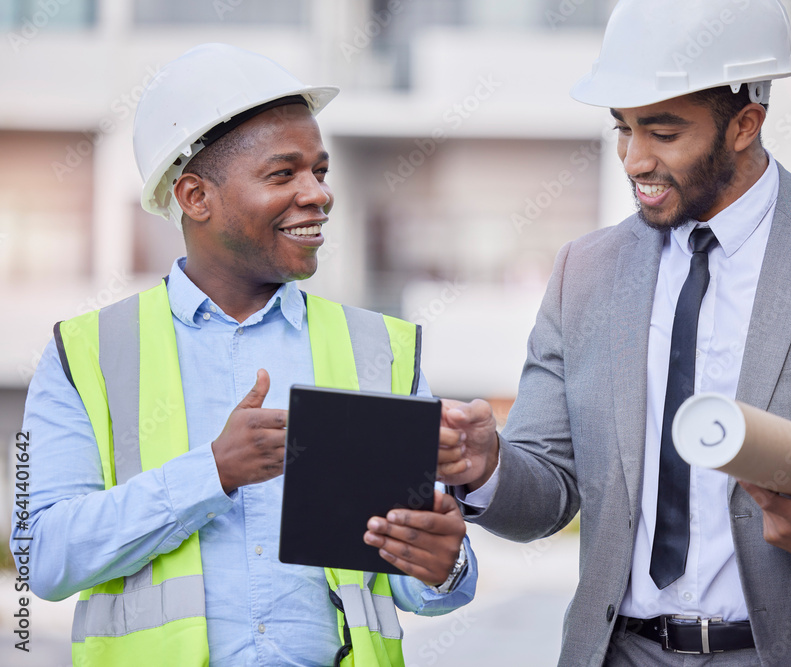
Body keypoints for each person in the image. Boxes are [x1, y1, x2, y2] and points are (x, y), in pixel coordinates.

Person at [435, 1, 791, 665]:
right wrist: (489, 466)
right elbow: (550, 493)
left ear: (745, 125)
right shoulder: (584, 272)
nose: (634, 159)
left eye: (663, 133)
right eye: (623, 129)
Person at [14, 43, 475, 667]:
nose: (318, 195)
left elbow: (415, 586)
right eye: (283, 174)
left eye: (320, 170)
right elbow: (41, 556)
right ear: (196, 197)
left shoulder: (381, 351)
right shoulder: (86, 355)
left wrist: (444, 566)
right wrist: (213, 473)